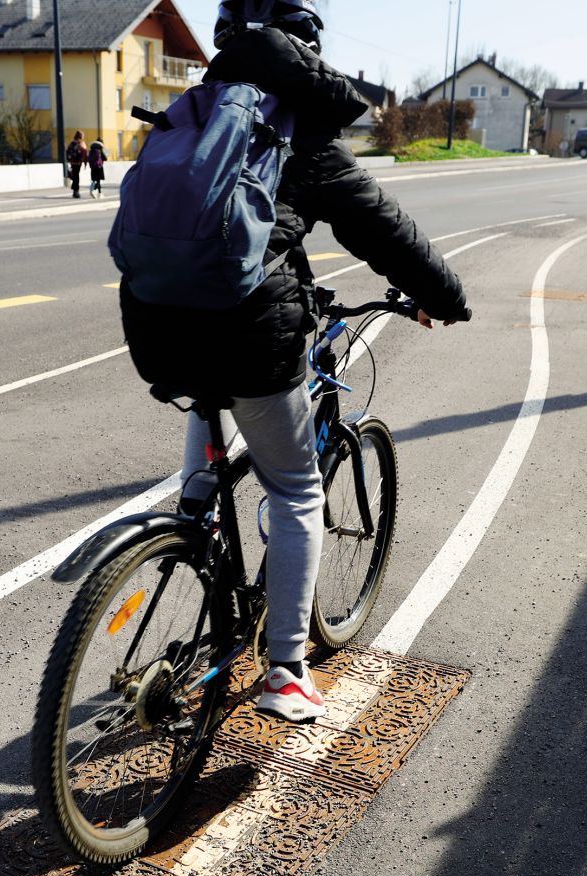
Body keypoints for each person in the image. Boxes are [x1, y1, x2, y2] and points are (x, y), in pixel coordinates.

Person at [119, 0, 470, 723]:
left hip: (157, 323)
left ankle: (193, 524)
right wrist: (448, 296)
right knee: (297, 491)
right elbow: (386, 230)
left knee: (209, 417)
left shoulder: (194, 108)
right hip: (252, 333)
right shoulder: (302, 131)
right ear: (307, 47)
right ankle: (285, 669)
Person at [65, 131, 87, 198]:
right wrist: (85, 163)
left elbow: (67, 151)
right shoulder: (81, 143)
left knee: (75, 175)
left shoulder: (72, 143)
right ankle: (76, 191)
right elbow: (85, 154)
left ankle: (75, 190)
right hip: (78, 162)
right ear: (81, 136)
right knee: (76, 176)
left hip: (72, 162)